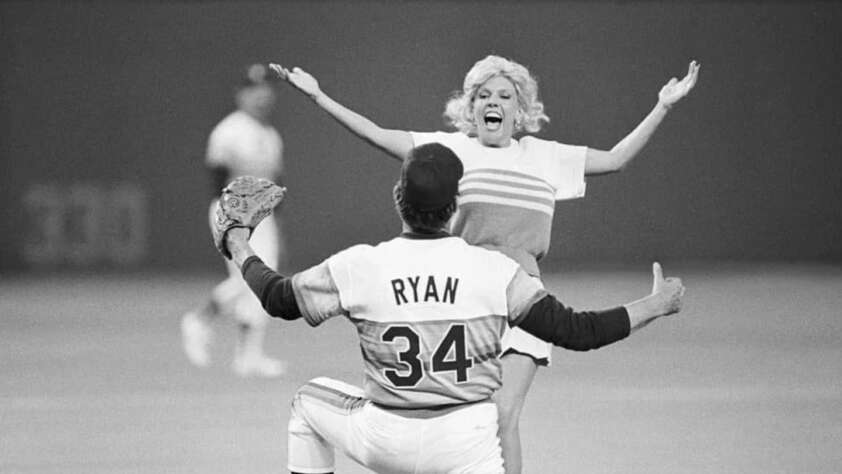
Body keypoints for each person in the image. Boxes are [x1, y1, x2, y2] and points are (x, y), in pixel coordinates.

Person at [268, 55, 700, 471]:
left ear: (520, 109)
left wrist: (662, 106)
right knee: (466, 422)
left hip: (523, 297)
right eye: (483, 95)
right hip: (465, 302)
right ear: (469, 108)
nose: (493, 102)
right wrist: (319, 97)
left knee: (502, 415)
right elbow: (378, 134)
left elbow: (617, 159)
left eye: (505, 96)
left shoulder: (546, 155)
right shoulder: (451, 150)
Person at [220, 142, 686, 474]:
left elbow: (278, 299)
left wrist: (238, 242)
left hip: (387, 437)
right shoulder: (495, 271)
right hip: (468, 447)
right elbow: (578, 331)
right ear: (455, 205)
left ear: (399, 198)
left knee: (307, 402)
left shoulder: (362, 265)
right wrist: (655, 304)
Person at [180, 63, 287, 378]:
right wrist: (231, 219)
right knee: (249, 279)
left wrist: (275, 225)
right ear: (241, 95)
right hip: (233, 209)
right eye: (254, 90)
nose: (261, 96)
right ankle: (199, 319)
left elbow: (274, 183)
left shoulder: (270, 135)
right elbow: (217, 178)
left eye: (266, 90)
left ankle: (248, 356)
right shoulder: (229, 130)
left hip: (262, 215)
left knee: (264, 284)